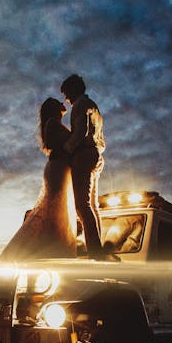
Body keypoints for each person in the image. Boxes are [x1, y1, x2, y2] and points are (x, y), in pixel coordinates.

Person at [0, 98, 78, 261]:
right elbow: (58, 143)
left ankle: (53, 245)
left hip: (60, 168)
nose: (63, 103)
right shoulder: (52, 124)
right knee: (54, 206)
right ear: (53, 108)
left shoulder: (54, 123)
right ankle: (49, 246)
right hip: (58, 168)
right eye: (58, 102)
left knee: (58, 209)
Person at [60, 74, 107, 258]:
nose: (67, 99)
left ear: (74, 89)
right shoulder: (94, 106)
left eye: (67, 94)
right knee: (93, 205)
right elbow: (100, 138)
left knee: (82, 204)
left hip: (83, 155)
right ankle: (98, 246)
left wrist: (66, 149)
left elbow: (81, 131)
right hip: (96, 154)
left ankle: (95, 250)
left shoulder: (80, 105)